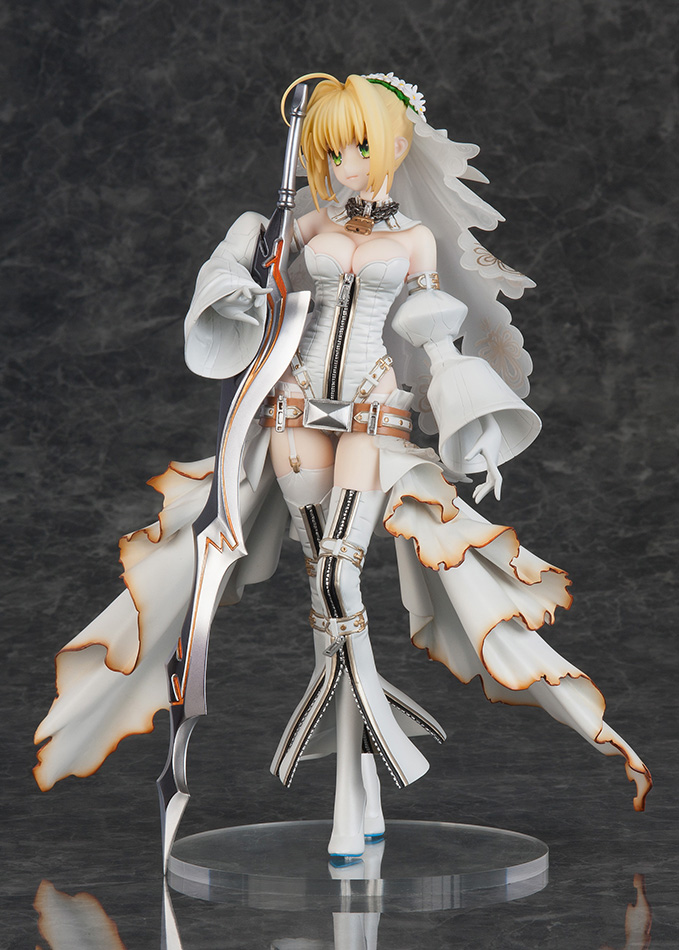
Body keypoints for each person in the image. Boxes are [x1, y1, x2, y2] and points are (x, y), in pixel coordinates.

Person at [34, 72, 651, 859]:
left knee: (339, 575)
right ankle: (355, 787)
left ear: (394, 145)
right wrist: (245, 279)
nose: (344, 164)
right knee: (321, 593)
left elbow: (434, 337)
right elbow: (241, 279)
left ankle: (364, 761)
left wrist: (478, 429)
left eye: (359, 147)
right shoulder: (300, 223)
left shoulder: (414, 241)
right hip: (294, 412)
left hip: (371, 413)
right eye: (330, 150)